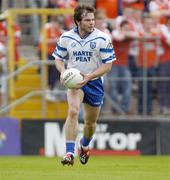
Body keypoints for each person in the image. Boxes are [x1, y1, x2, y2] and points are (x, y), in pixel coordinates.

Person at [52, 5, 116, 166]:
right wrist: (62, 71)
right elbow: (58, 58)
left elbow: (108, 66)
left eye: (93, 19)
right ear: (78, 21)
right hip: (75, 82)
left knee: (90, 123)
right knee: (73, 111)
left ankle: (85, 145)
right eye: (87, 20)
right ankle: (69, 153)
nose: (92, 22)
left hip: (94, 82)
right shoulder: (66, 37)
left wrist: (90, 76)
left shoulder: (102, 38)